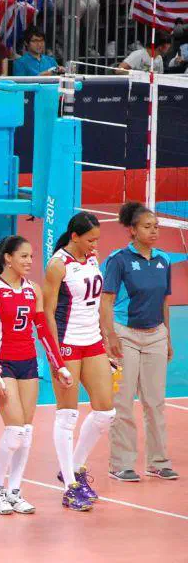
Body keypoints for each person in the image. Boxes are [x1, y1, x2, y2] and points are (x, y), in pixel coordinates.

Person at [0, 235, 71, 516]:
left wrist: (59, 365)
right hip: (4, 364)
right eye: (23, 256)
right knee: (15, 429)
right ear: (8, 258)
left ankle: (14, 491)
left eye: (31, 256)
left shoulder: (34, 290)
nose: (30, 261)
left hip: (28, 363)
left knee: (27, 431)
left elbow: (42, 331)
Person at [102, 202, 178, 482]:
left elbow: (165, 302)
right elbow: (106, 301)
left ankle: (158, 462)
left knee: (155, 402)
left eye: (156, 226)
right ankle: (120, 464)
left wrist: (167, 337)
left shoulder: (163, 260)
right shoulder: (118, 260)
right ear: (132, 230)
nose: (154, 231)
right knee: (123, 402)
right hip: (125, 335)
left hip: (155, 335)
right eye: (148, 226)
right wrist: (109, 335)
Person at [42, 212, 110, 511]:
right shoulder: (58, 265)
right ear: (75, 237)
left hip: (92, 341)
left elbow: (96, 302)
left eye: (97, 239)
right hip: (67, 344)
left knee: (106, 412)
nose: (95, 244)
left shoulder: (92, 258)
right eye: (90, 239)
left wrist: (106, 335)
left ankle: (74, 466)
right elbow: (47, 312)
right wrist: (55, 356)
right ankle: (70, 487)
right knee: (67, 415)